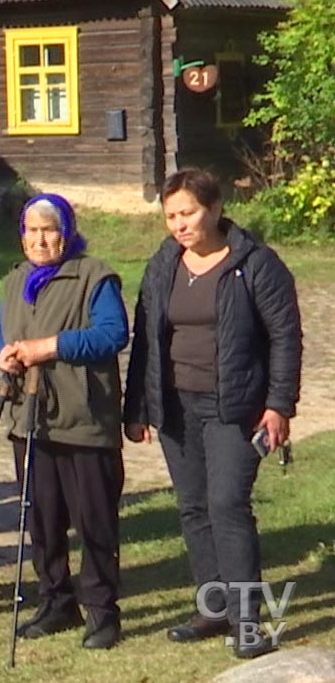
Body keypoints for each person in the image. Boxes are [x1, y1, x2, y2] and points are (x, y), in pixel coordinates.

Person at [126, 169, 302, 660]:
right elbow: (146, 338)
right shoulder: (164, 264)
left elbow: (286, 338)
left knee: (227, 505)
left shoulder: (256, 264)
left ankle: (249, 623)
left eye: (188, 213)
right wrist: (137, 407)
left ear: (216, 208)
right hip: (177, 406)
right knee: (194, 507)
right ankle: (214, 606)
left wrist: (278, 405)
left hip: (236, 407)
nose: (179, 225)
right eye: (171, 216)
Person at [0, 193, 128, 651]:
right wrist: (3, 353)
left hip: (84, 418)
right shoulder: (16, 280)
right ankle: (55, 602)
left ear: (67, 231)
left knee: (94, 521)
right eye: (31, 229)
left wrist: (49, 347)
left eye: (49, 228)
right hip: (29, 419)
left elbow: (112, 335)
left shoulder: (93, 275)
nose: (39, 238)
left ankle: (103, 611)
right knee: (43, 519)